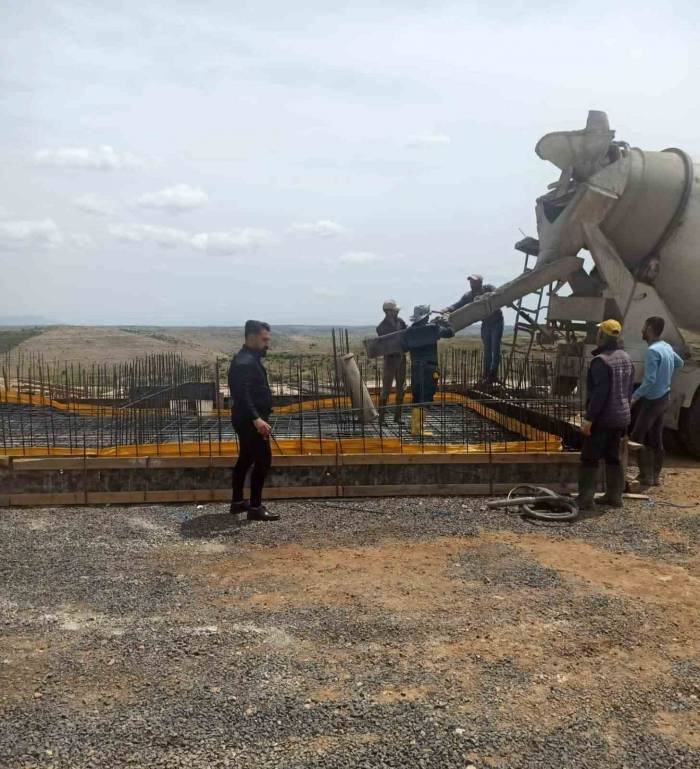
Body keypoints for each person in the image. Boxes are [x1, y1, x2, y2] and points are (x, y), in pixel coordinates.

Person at [578, 319, 635, 513]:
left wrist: (589, 419)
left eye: (598, 333)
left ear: (602, 335)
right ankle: (614, 496)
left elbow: (600, 394)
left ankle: (585, 499)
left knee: (589, 457)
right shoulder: (626, 358)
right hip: (621, 417)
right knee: (612, 456)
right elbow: (628, 391)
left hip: (603, 418)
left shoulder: (601, 361)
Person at [228, 320, 279, 522]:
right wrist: (257, 419)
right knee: (263, 460)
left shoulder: (249, 359)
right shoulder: (244, 362)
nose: (267, 343)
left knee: (246, 459)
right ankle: (255, 507)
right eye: (264, 339)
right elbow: (242, 395)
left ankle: (238, 502)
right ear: (251, 338)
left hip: (247, 420)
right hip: (249, 421)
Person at [630, 316, 684, 487]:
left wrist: (634, 397)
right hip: (664, 398)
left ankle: (646, 475)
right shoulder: (666, 347)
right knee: (656, 437)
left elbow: (649, 381)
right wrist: (666, 377)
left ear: (650, 328)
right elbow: (679, 363)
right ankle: (655, 476)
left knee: (637, 437)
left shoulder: (653, 351)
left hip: (652, 401)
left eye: (644, 326)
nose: (642, 330)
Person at [441, 274, 503, 383]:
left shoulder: (488, 288)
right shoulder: (469, 296)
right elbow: (458, 305)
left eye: (474, 282)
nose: (471, 284)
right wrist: (447, 309)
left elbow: (498, 293)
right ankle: (486, 374)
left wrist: (487, 296)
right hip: (486, 324)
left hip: (497, 322)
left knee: (495, 349)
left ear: (480, 282)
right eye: (470, 282)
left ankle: (493, 374)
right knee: (487, 350)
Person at [403, 305, 454, 436]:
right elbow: (450, 332)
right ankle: (418, 429)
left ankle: (415, 428)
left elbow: (406, 346)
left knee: (417, 396)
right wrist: (446, 320)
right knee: (426, 397)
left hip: (415, 367)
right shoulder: (432, 328)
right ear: (426, 316)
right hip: (429, 368)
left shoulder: (409, 331)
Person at [376, 300, 407, 424]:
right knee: (386, 389)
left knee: (401, 387)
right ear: (388, 312)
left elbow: (406, 335)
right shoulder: (381, 327)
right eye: (394, 310)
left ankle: (397, 417)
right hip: (389, 360)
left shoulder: (401, 322)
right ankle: (381, 419)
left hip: (401, 358)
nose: (397, 312)